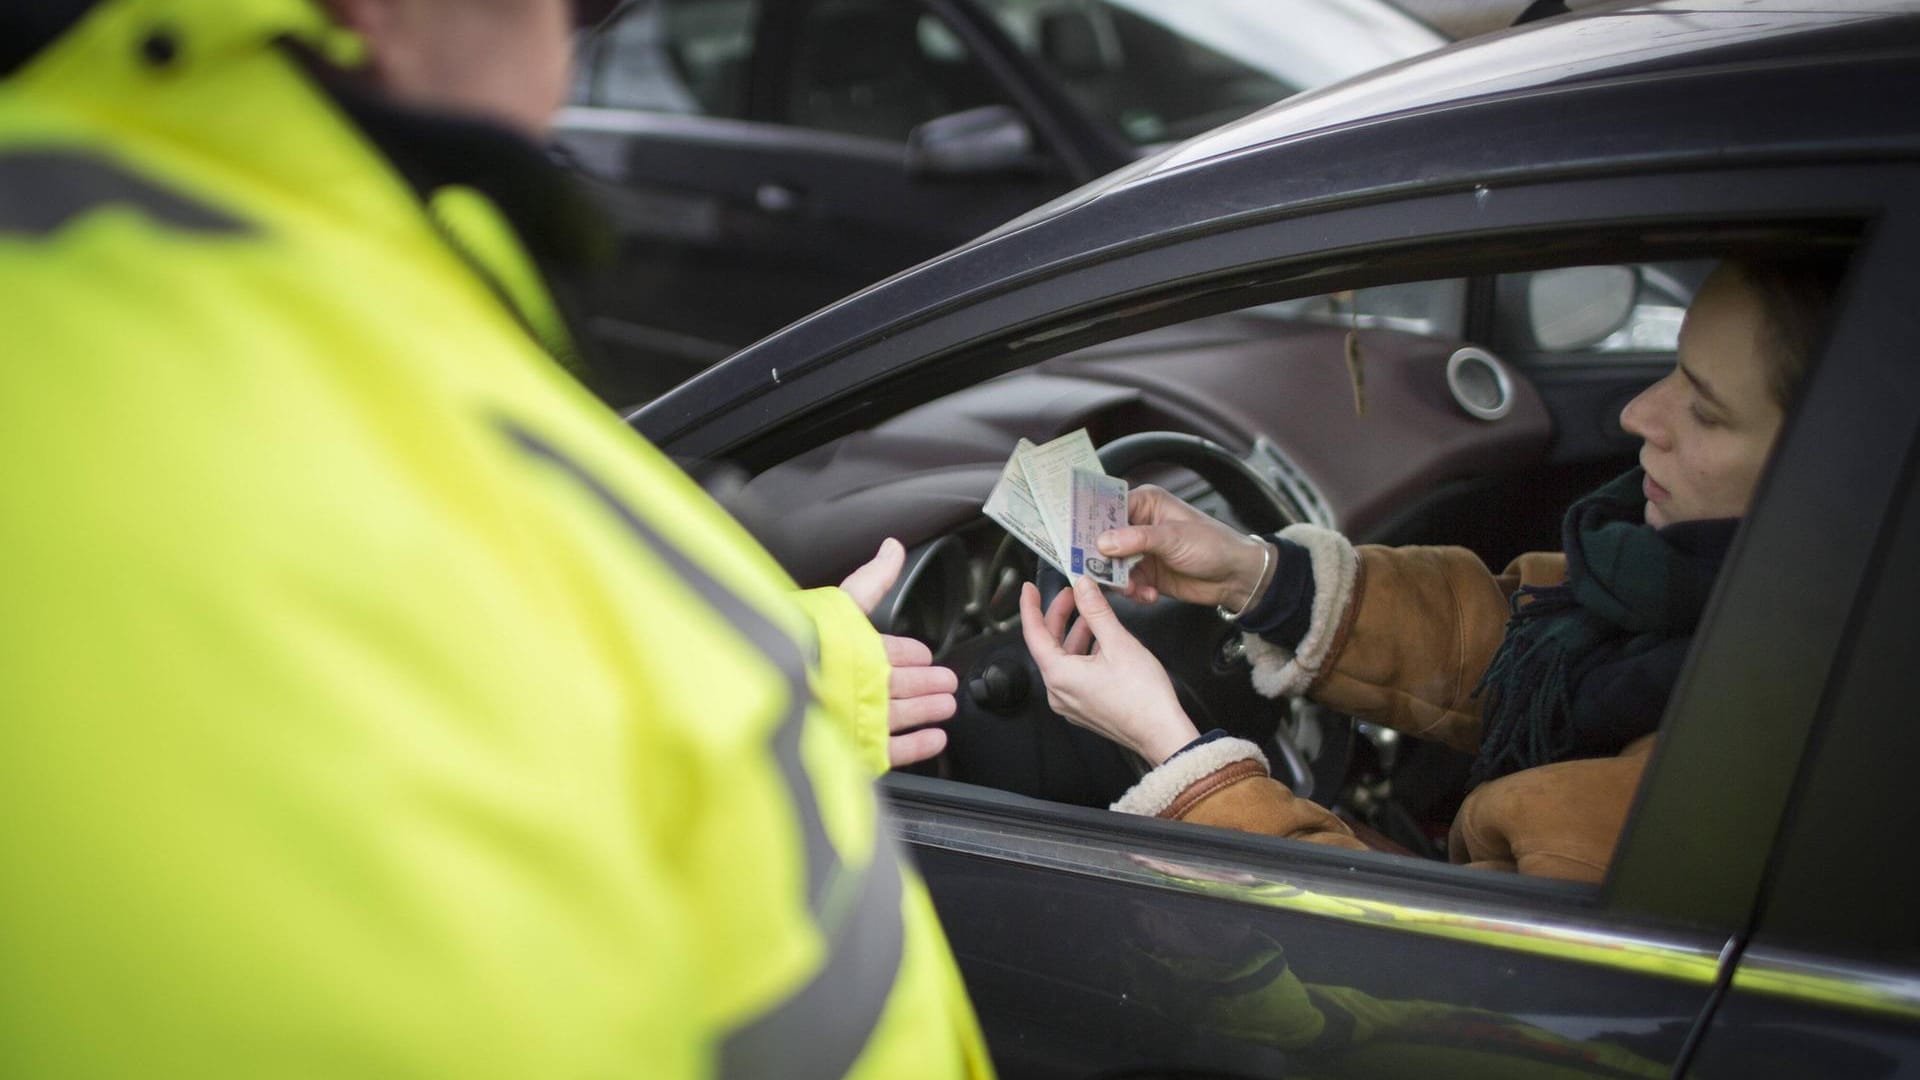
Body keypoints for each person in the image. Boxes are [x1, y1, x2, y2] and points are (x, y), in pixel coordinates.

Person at [1, 1, 988, 1076]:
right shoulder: (285, 339)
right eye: (561, 13)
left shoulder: (181, 277)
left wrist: (804, 665)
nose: (562, 68)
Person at [1019, 259, 1839, 883]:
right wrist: (1256, 575)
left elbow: (1421, 983)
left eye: (1703, 409)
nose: (1637, 415)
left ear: (1833, 470)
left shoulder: (1729, 766)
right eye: (1669, 368)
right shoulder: (1712, 595)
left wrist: (1176, 753)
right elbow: (1515, 648)